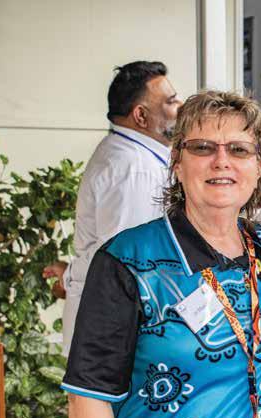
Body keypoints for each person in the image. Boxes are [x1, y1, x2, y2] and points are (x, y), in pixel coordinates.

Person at [61, 91, 261, 418]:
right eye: (203, 147)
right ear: (176, 162)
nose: (221, 161)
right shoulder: (129, 260)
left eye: (239, 150)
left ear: (259, 166)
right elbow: (88, 400)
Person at [42, 60, 182, 350]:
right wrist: (70, 277)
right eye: (171, 101)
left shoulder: (132, 155)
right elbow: (126, 261)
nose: (181, 106)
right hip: (117, 334)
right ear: (141, 116)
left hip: (114, 327)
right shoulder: (134, 169)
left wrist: (70, 275)